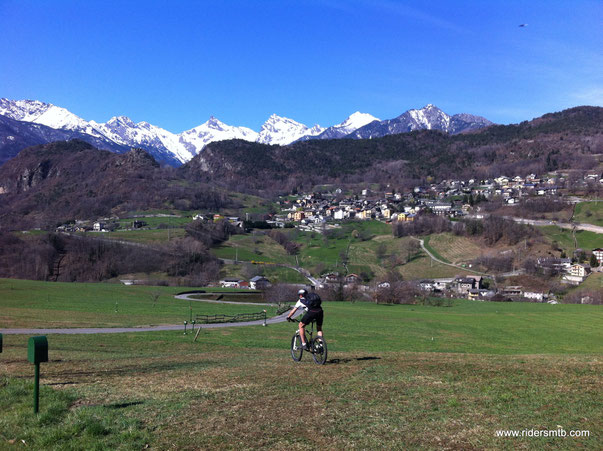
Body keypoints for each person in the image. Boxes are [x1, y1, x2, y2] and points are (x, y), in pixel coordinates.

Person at [287, 287, 323, 351]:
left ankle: (304, 344)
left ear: (300, 295)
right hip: (320, 311)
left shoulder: (300, 301)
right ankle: (321, 345)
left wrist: (288, 317)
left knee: (301, 325)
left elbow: (293, 311)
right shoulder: (311, 298)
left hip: (311, 312)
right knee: (319, 328)